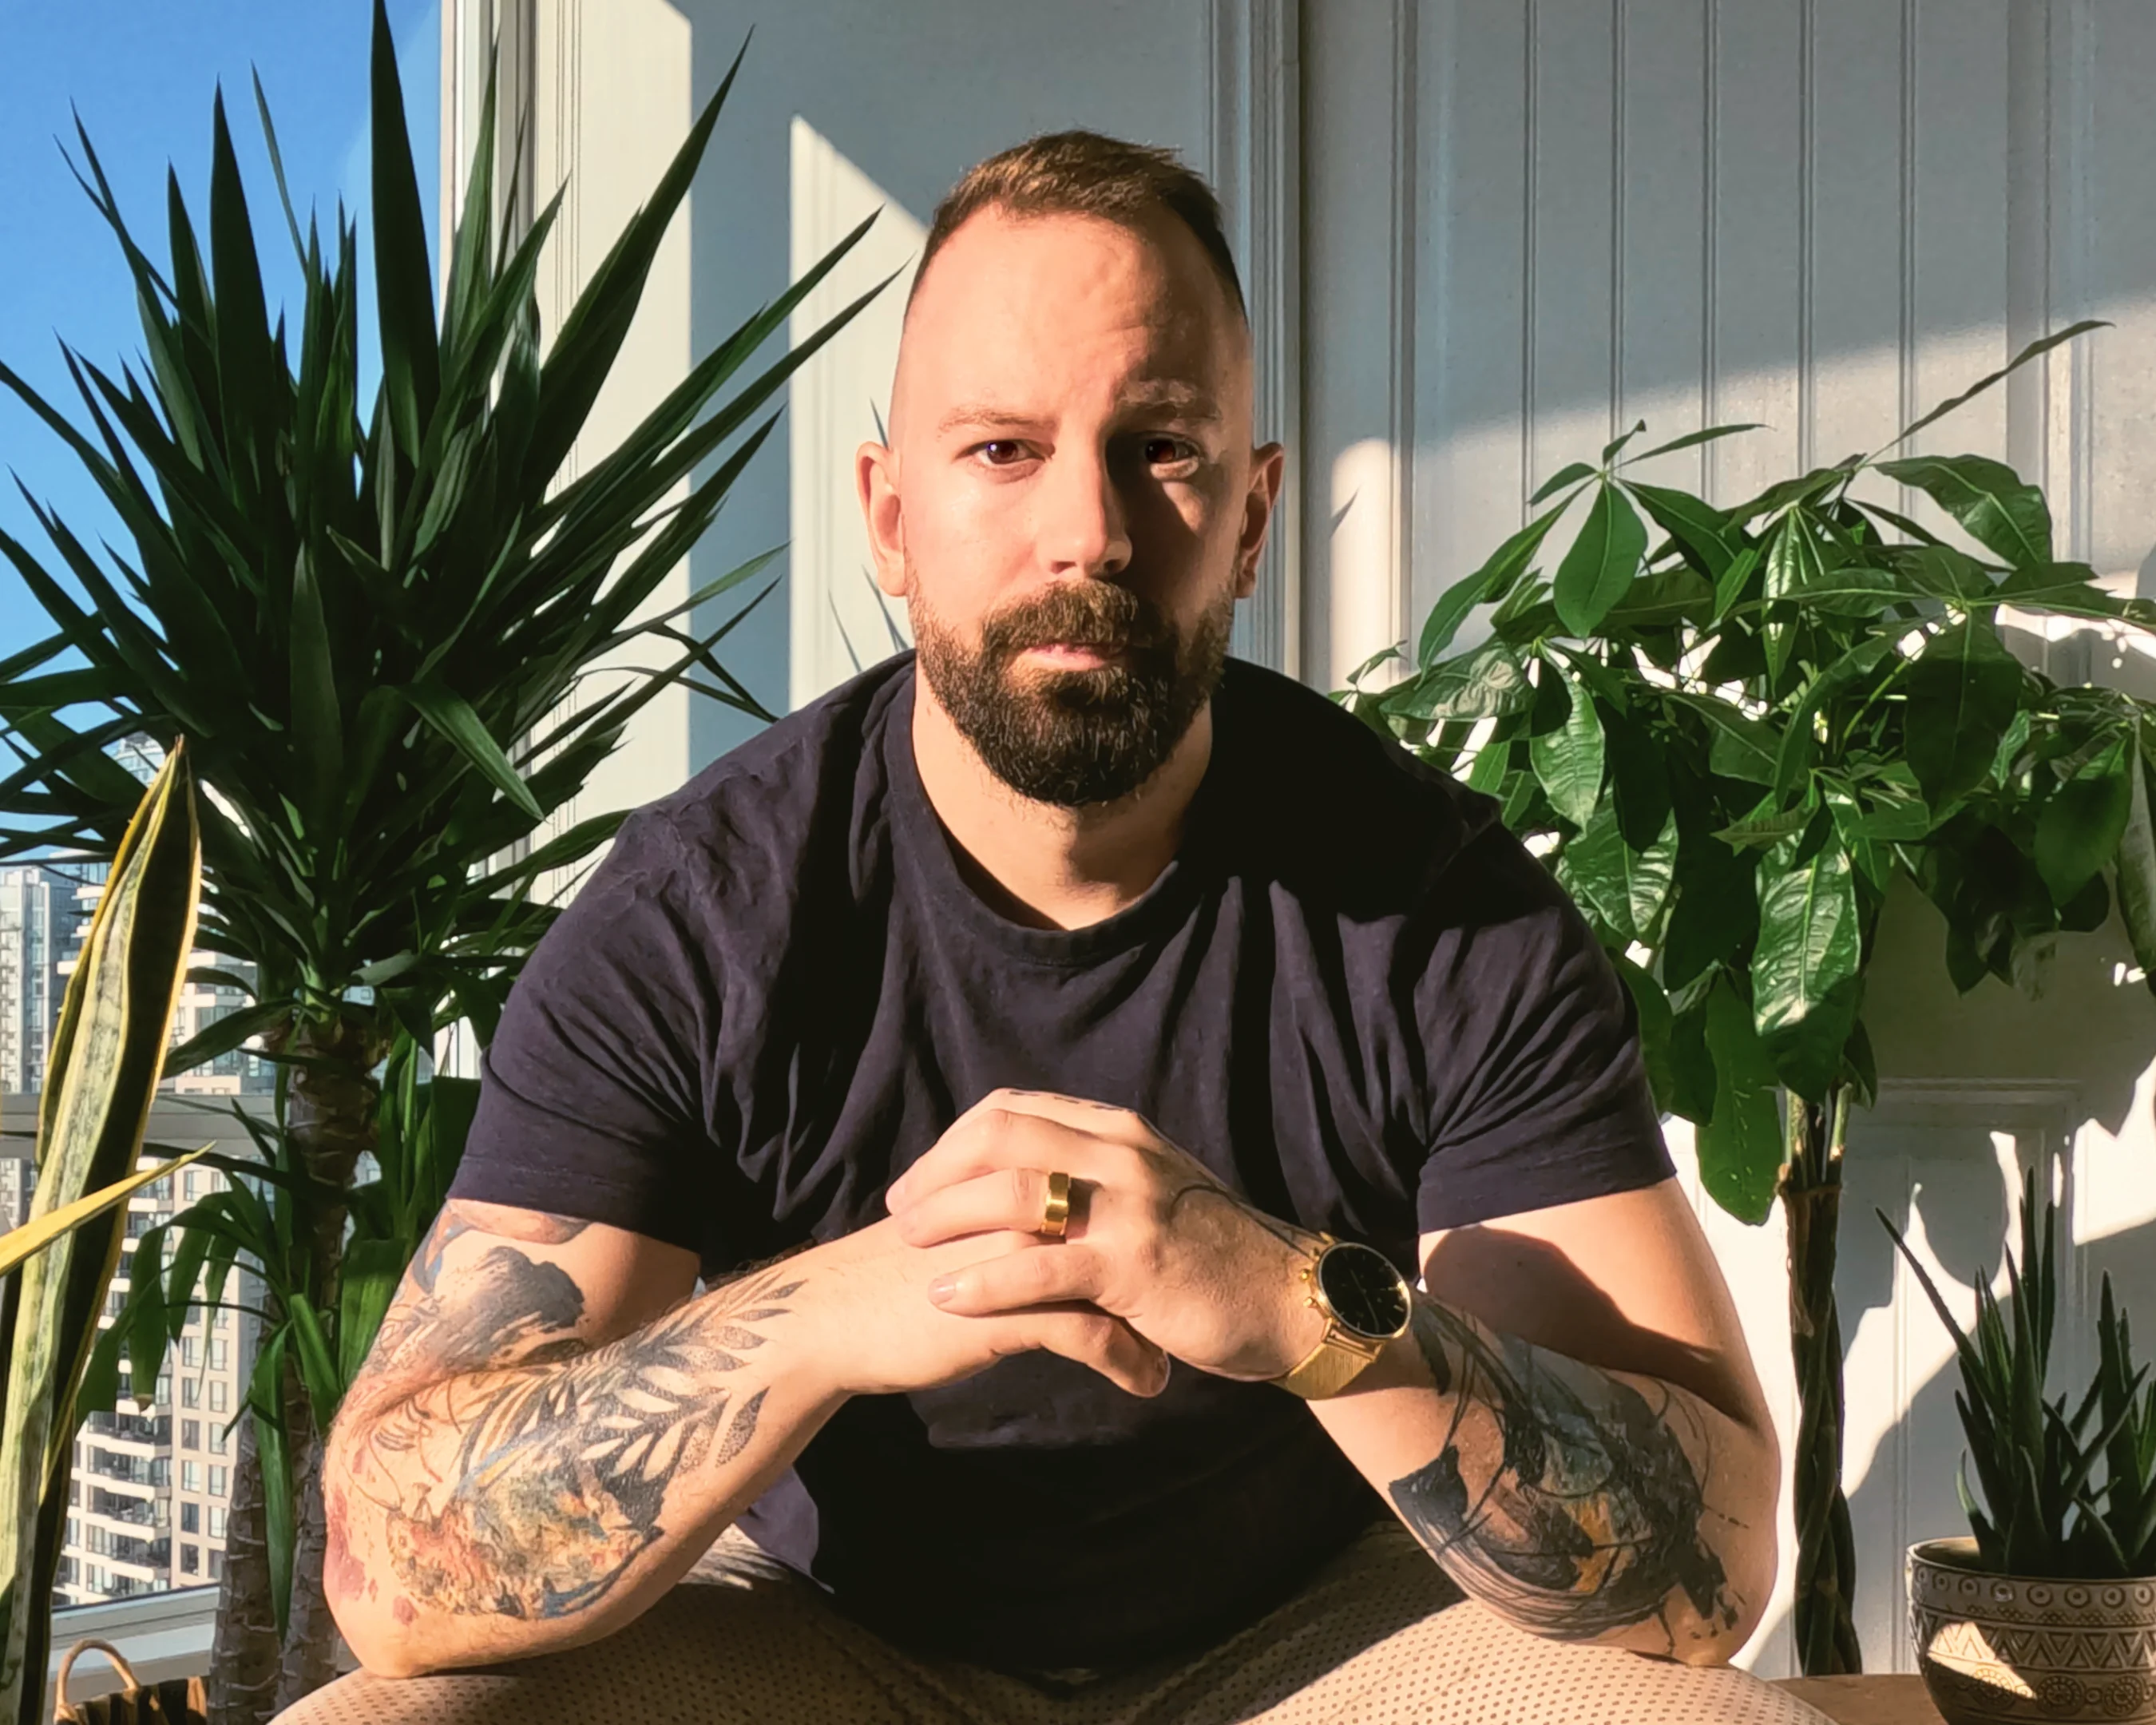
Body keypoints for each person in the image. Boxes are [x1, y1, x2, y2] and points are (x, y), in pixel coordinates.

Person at [285, 132, 1832, 1725]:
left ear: (1252, 516)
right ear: (890, 519)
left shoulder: (1442, 915)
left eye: (1159, 448)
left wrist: (1306, 1310)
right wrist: (831, 1309)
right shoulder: (698, 915)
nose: (1086, 533)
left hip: (1318, 1645)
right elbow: (385, 1565)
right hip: (829, 1641)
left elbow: (1710, 1567)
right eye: (1004, 451)